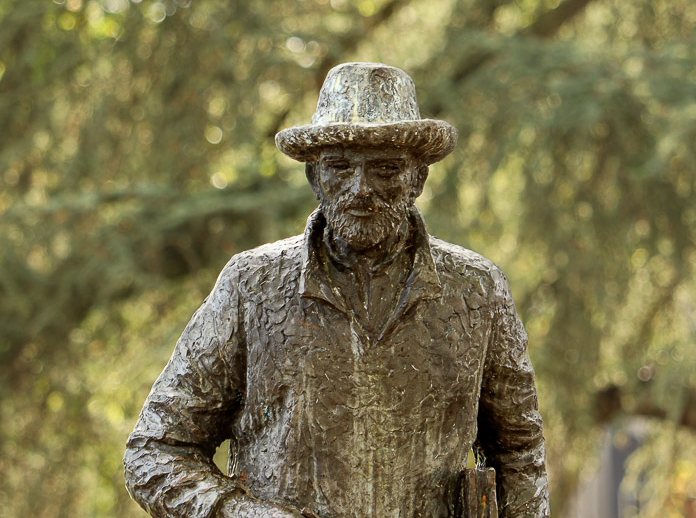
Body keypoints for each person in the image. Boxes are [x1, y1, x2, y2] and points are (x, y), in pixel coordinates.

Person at [123, 63, 549, 517]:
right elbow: (155, 451)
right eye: (339, 167)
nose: (361, 188)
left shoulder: (477, 290)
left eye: (385, 168)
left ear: (418, 179)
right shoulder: (251, 285)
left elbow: (519, 454)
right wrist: (245, 515)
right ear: (314, 178)